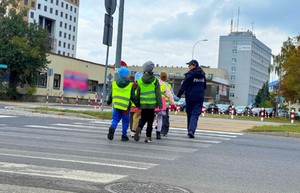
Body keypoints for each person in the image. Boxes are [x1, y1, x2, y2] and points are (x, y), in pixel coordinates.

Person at [177, 59, 206, 138]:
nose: (188, 66)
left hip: (190, 97)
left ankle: (190, 130)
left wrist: (178, 95)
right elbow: (204, 86)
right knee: (195, 114)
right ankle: (191, 130)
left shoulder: (189, 74)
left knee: (190, 113)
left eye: (189, 65)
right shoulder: (203, 75)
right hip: (199, 97)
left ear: (194, 65)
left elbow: (184, 86)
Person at [134, 61, 162, 143]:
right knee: (150, 121)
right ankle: (148, 137)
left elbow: (137, 94)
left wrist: (137, 104)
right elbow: (158, 93)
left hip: (143, 104)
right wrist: (160, 104)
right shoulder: (155, 80)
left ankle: (139, 128)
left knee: (142, 119)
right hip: (152, 105)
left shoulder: (139, 81)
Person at [106, 67, 138, 141]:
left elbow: (111, 95)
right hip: (126, 107)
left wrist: (108, 101)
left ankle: (112, 127)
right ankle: (124, 135)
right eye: (128, 74)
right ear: (126, 75)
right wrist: (138, 104)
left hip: (116, 105)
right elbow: (133, 97)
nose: (129, 76)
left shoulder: (114, 84)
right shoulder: (130, 85)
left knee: (115, 119)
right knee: (125, 121)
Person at [154, 74, 175, 139]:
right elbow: (169, 95)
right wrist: (173, 103)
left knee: (151, 118)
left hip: (153, 102)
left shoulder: (153, 84)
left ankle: (148, 131)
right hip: (162, 103)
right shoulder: (164, 85)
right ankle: (158, 133)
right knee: (160, 118)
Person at [159, 72, 179, 136]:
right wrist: (176, 100)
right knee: (165, 117)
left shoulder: (157, 84)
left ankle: (159, 127)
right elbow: (171, 95)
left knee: (159, 116)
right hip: (166, 104)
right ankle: (164, 130)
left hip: (158, 104)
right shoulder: (168, 85)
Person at [129, 71, 143, 137]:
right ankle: (133, 131)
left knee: (131, 118)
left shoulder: (132, 85)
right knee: (136, 118)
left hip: (131, 104)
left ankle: (131, 129)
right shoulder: (142, 86)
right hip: (138, 105)